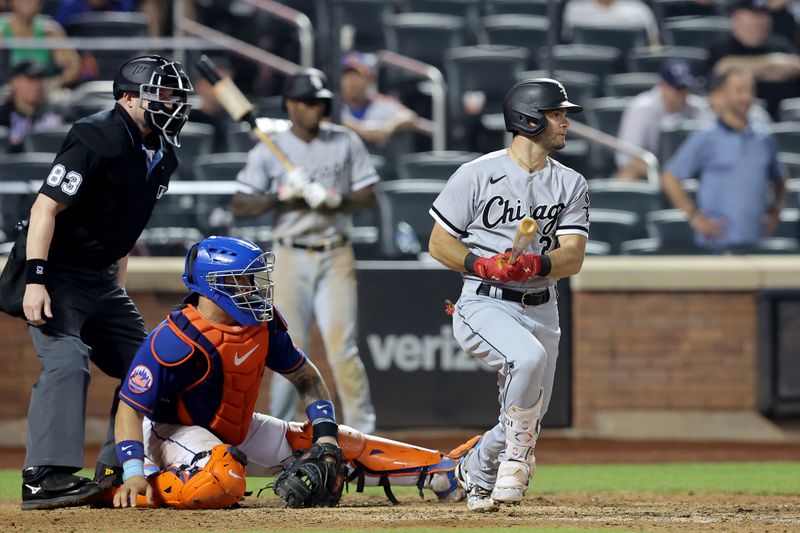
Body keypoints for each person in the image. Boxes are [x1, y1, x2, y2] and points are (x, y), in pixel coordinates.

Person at [111, 235, 469, 509]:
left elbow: (306, 378)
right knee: (221, 480)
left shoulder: (262, 326)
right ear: (212, 284)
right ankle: (135, 488)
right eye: (243, 281)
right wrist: (132, 470)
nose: (254, 289)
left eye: (254, 279)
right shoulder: (174, 340)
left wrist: (326, 438)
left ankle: (442, 472)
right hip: (171, 431)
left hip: (236, 429)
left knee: (334, 445)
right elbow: (130, 407)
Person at [15, 54, 193, 510]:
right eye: (162, 93)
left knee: (148, 365)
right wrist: (36, 280)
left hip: (101, 278)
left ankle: (115, 470)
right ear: (128, 98)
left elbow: (123, 228)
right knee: (69, 360)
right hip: (56, 271)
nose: (171, 102)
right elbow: (43, 209)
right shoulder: (95, 134)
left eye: (174, 94)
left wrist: (119, 284)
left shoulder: (162, 152)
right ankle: (44, 478)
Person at [428, 78, 590, 512]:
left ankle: (472, 471)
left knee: (525, 416)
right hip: (484, 299)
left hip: (543, 304)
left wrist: (537, 264)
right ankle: (517, 463)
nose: (564, 123)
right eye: (556, 114)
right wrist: (479, 263)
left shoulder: (571, 183)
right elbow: (439, 243)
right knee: (528, 360)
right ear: (528, 119)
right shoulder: (476, 173)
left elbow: (573, 256)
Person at [230, 69, 377, 434]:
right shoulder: (269, 148)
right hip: (289, 255)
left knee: (343, 351)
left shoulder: (344, 141)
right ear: (290, 105)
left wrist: (334, 200)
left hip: (335, 252)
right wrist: (282, 197)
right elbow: (239, 205)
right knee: (285, 349)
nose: (317, 109)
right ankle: (276, 432)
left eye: (321, 103)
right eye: (309, 103)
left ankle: (365, 433)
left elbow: (369, 196)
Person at [661, 68, 788, 252]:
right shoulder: (706, 137)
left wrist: (775, 211)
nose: (745, 97)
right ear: (722, 94)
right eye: (738, 91)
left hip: (757, 244)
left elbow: (780, 177)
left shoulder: (765, 138)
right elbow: (670, 177)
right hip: (717, 245)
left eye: (749, 90)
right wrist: (694, 215)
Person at [614, 59, 708, 180]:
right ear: (662, 86)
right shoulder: (642, 107)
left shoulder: (697, 107)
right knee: (627, 173)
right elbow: (625, 159)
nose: (682, 94)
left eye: (686, 88)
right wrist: (664, 174)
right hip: (650, 172)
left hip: (689, 169)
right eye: (677, 88)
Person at [705, 0, 800, 119]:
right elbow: (721, 68)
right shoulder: (720, 49)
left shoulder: (781, 45)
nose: (760, 21)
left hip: (789, 121)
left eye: (764, 15)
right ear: (736, 17)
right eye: (754, 15)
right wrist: (773, 63)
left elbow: (796, 66)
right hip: (740, 120)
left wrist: (743, 67)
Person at [340, 51, 417, 149]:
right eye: (347, 77)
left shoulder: (382, 104)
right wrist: (361, 130)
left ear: (370, 80)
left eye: (357, 77)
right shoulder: (333, 105)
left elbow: (410, 117)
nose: (351, 82)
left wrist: (387, 128)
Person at [0, 0, 81, 89]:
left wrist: (52, 84)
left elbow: (74, 67)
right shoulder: (2, 32)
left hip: (46, 94)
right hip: (7, 92)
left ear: (40, 4)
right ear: (12, 2)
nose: (26, 2)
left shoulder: (50, 31)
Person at [0, 60, 65, 153]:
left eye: (40, 79)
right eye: (31, 79)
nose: (37, 85)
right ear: (14, 82)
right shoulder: (3, 116)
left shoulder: (58, 113)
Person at [562, 0, 660, 46]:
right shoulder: (575, 9)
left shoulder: (639, 10)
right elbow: (568, 43)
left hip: (626, 69)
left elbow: (654, 44)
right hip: (586, 68)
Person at [188, 55, 234, 153]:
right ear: (199, 86)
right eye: (216, 83)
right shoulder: (183, 120)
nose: (224, 89)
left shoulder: (236, 124)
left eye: (228, 83)